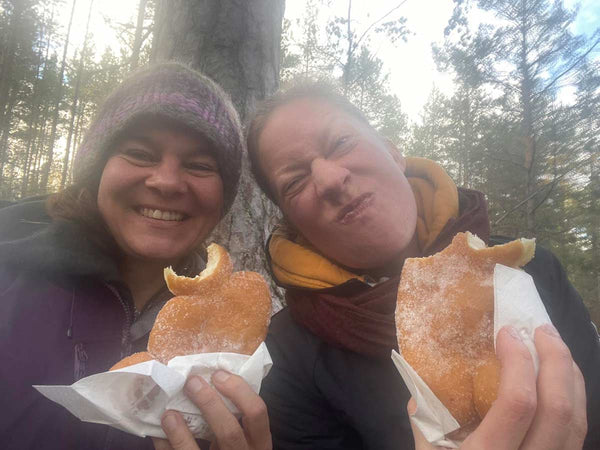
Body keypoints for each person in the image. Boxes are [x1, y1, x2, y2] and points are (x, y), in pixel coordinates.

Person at [240, 83, 599, 449]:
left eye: (341, 143)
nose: (330, 180)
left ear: (394, 154)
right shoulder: (286, 357)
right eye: (295, 181)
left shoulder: (530, 269)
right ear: (292, 223)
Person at [0, 63, 271, 450]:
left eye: (198, 165)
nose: (167, 182)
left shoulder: (238, 343)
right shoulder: (8, 276)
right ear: (97, 171)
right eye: (141, 154)